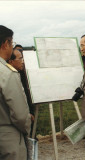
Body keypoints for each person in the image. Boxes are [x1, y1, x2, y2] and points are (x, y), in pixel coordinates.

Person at [0, 25, 31, 160]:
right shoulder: (7, 73)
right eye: (11, 43)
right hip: (8, 137)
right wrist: (27, 128)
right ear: (6, 44)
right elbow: (20, 116)